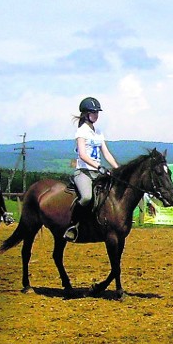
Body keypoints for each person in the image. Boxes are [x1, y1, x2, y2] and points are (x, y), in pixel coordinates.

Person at [63, 97, 119, 242]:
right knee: (87, 197)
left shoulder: (99, 132)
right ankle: (72, 226)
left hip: (98, 172)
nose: (96, 115)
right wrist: (98, 166)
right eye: (93, 112)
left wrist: (117, 169)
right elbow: (82, 154)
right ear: (86, 114)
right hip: (84, 172)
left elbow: (106, 153)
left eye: (97, 112)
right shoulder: (81, 132)